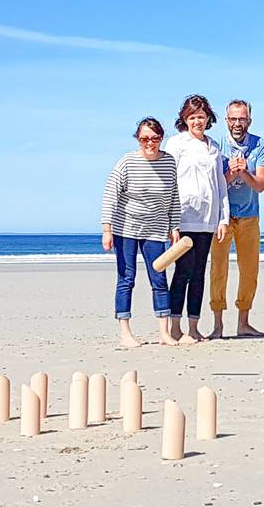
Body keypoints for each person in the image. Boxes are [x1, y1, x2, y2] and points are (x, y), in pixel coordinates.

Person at [101, 116, 183, 348]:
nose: (150, 143)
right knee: (127, 278)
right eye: (144, 138)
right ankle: (125, 333)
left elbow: (173, 196)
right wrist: (107, 228)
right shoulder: (126, 162)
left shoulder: (168, 162)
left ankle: (164, 333)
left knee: (159, 279)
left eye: (155, 138)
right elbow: (110, 194)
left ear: (161, 139)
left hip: (155, 229)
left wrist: (173, 226)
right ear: (138, 139)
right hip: (125, 228)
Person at [166, 94, 230, 345]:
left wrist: (223, 219)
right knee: (182, 271)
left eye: (201, 117)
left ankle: (193, 327)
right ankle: (174, 327)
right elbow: (169, 182)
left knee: (199, 273)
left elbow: (220, 185)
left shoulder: (213, 147)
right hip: (183, 219)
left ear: (208, 118)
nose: (197, 121)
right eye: (192, 117)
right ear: (185, 119)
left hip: (208, 220)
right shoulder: (176, 144)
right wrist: (171, 222)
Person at [210, 99, 264, 339]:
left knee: (249, 270)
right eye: (233, 118)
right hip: (221, 218)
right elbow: (212, 185)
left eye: (242, 119)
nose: (237, 123)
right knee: (218, 270)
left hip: (249, 216)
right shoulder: (216, 145)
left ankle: (243, 323)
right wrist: (230, 172)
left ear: (249, 121)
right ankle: (217, 325)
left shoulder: (260, 144)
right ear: (226, 121)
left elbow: (261, 185)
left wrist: (244, 171)